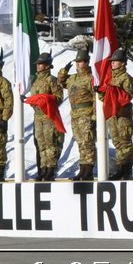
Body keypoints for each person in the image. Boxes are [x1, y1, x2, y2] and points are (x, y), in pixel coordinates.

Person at [24, 53, 64, 180]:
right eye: (37, 64)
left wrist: (45, 99)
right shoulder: (36, 82)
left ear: (47, 66)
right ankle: (43, 169)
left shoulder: (52, 80)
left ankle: (51, 170)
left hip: (48, 116)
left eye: (40, 64)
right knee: (41, 144)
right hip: (38, 117)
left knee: (50, 143)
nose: (38, 66)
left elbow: (59, 98)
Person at [58, 51, 97, 180]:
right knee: (80, 143)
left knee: (88, 142)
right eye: (77, 62)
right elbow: (61, 81)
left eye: (80, 62)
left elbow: (96, 98)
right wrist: (64, 70)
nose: (78, 64)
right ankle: (83, 169)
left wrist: (95, 116)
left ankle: (89, 170)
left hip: (86, 114)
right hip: (75, 114)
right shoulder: (72, 78)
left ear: (86, 62)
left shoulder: (91, 78)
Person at [99, 51, 133, 179]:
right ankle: (120, 168)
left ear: (122, 63)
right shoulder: (111, 79)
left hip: (123, 115)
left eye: (115, 61)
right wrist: (101, 92)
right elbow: (105, 98)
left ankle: (126, 170)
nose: (112, 63)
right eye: (112, 61)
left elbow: (126, 97)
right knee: (117, 142)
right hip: (113, 116)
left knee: (125, 141)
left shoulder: (127, 79)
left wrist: (112, 90)